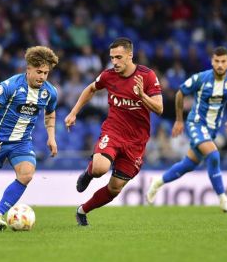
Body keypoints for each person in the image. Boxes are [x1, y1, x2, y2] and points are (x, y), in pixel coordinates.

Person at [65, 37, 163, 226]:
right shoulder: (108, 75)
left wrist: (142, 96)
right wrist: (73, 112)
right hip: (114, 131)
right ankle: (89, 172)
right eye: (112, 58)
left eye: (119, 57)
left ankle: (82, 210)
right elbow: (91, 88)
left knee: (115, 188)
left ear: (130, 55)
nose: (115, 62)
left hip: (136, 141)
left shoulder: (147, 76)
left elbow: (159, 108)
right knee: (100, 168)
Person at [0, 46, 59, 230]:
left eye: (46, 73)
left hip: (22, 143)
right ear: (28, 68)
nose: (42, 77)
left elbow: (50, 114)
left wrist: (51, 136)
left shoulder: (50, 92)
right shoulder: (11, 86)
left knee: (27, 174)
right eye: (39, 72)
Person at [146, 46, 227, 212]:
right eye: (217, 61)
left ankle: (157, 182)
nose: (220, 65)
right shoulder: (201, 78)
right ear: (212, 61)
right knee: (214, 155)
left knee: (188, 164)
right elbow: (180, 93)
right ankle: (223, 200)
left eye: (223, 61)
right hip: (196, 123)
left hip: (212, 129)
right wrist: (179, 120)